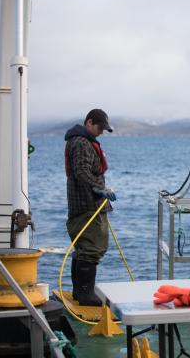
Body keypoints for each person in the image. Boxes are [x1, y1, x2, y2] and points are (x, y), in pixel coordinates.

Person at [64, 108, 117, 306]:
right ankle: (85, 294)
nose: (101, 132)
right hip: (87, 204)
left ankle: (80, 291)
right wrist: (99, 188)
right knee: (92, 247)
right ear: (88, 122)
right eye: (99, 127)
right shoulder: (81, 142)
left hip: (86, 203)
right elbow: (80, 171)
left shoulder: (80, 140)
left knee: (84, 247)